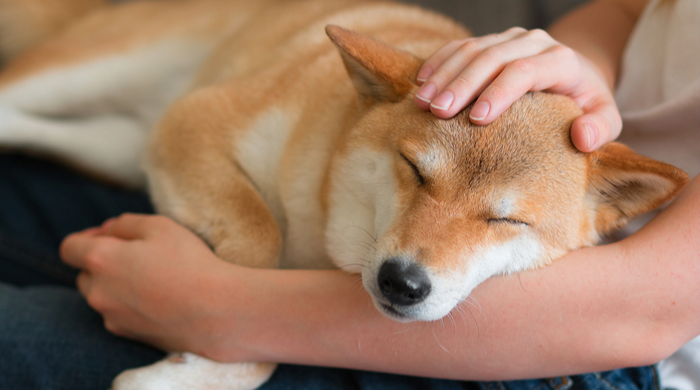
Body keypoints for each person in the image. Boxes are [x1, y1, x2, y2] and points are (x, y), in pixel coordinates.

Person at [1, 0, 698, 389]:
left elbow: (643, 311)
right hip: (480, 148)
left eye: (496, 222)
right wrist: (577, 74)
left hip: (560, 345)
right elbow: (632, 9)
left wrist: (227, 313)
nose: (423, 247)